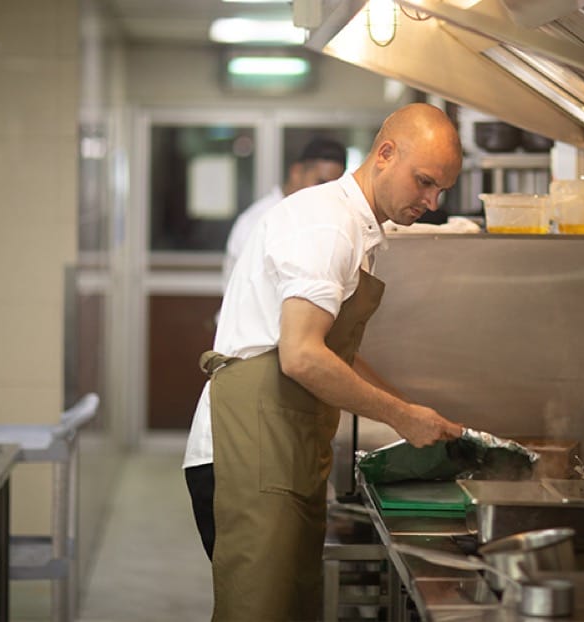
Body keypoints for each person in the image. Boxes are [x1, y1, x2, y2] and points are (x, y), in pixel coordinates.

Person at [183, 103, 466, 621]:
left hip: (281, 448)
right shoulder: (328, 226)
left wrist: (412, 411)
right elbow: (302, 357)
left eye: (442, 189)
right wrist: (400, 417)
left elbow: (334, 355)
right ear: (384, 154)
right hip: (246, 447)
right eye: (424, 181)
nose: (431, 200)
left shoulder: (360, 229)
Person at [221, 136, 348, 288]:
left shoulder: (320, 219)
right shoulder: (260, 220)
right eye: (320, 183)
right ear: (296, 172)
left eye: (333, 186)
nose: (326, 192)